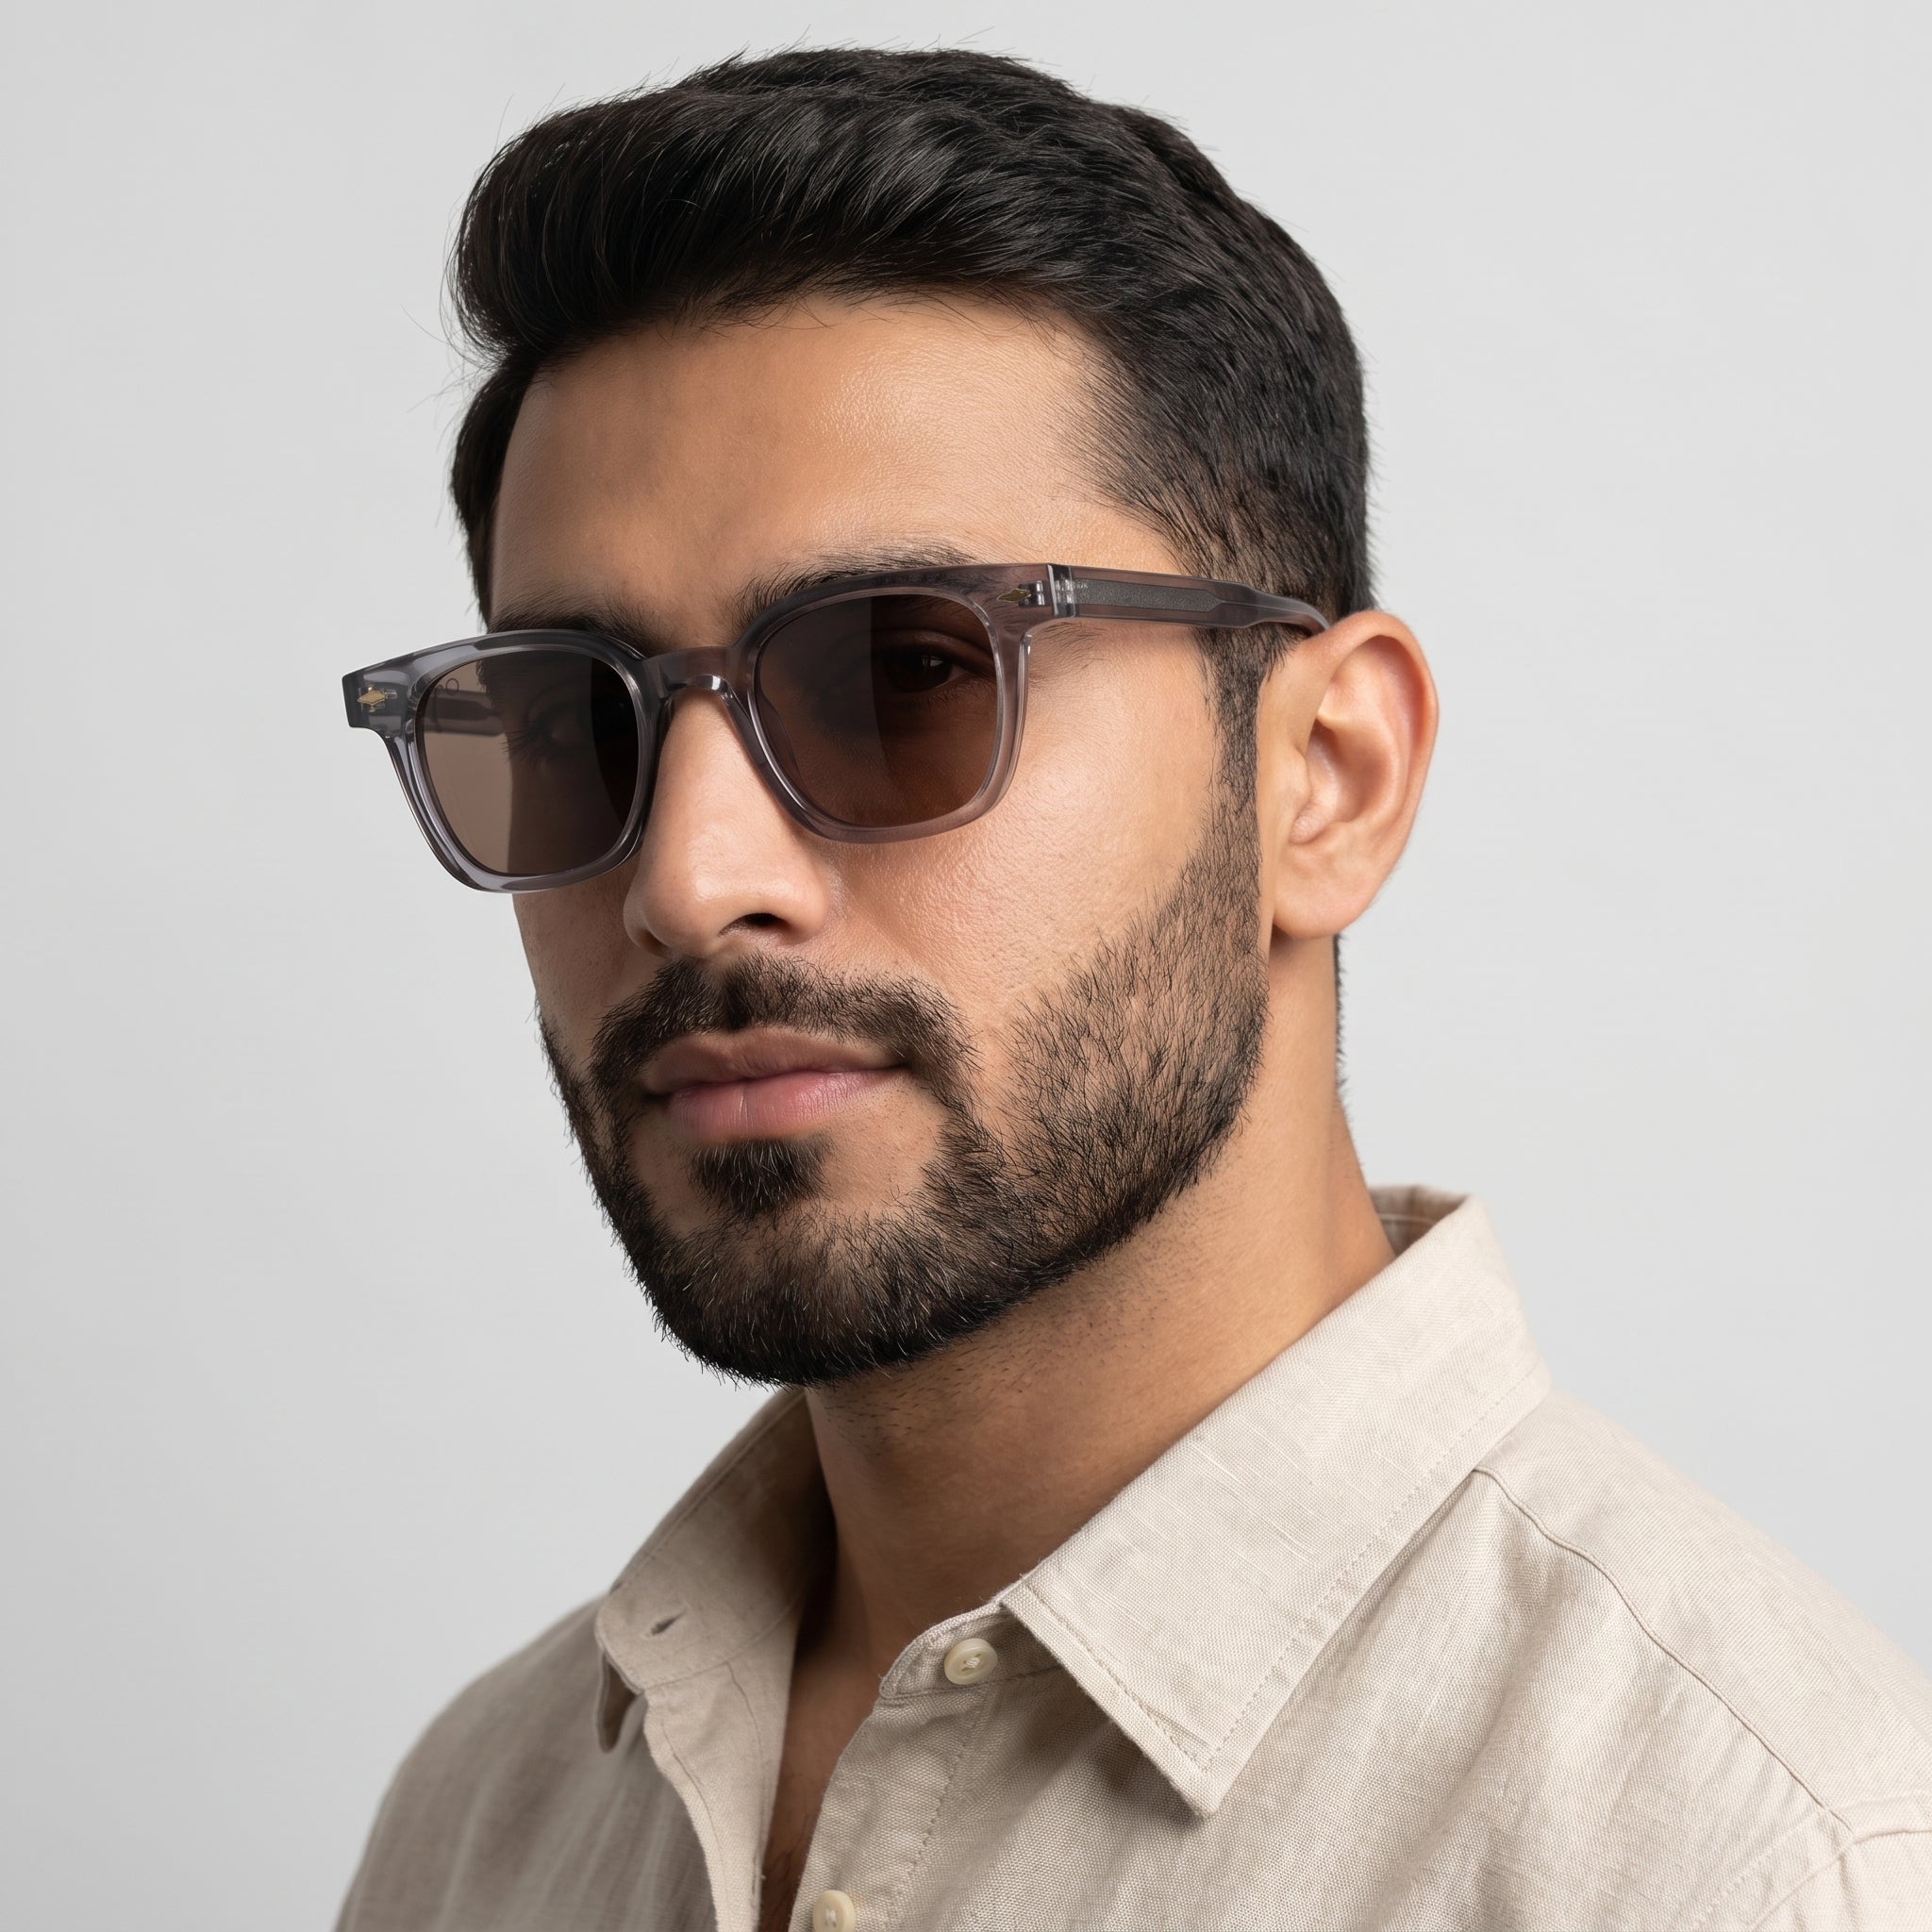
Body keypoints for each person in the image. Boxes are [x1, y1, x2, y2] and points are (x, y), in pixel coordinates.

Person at [334, 47, 1932, 1932]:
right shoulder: (487, 1823)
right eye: (570, 726)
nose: (686, 878)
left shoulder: (1754, 1864)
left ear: (1322, 776)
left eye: (904, 677)